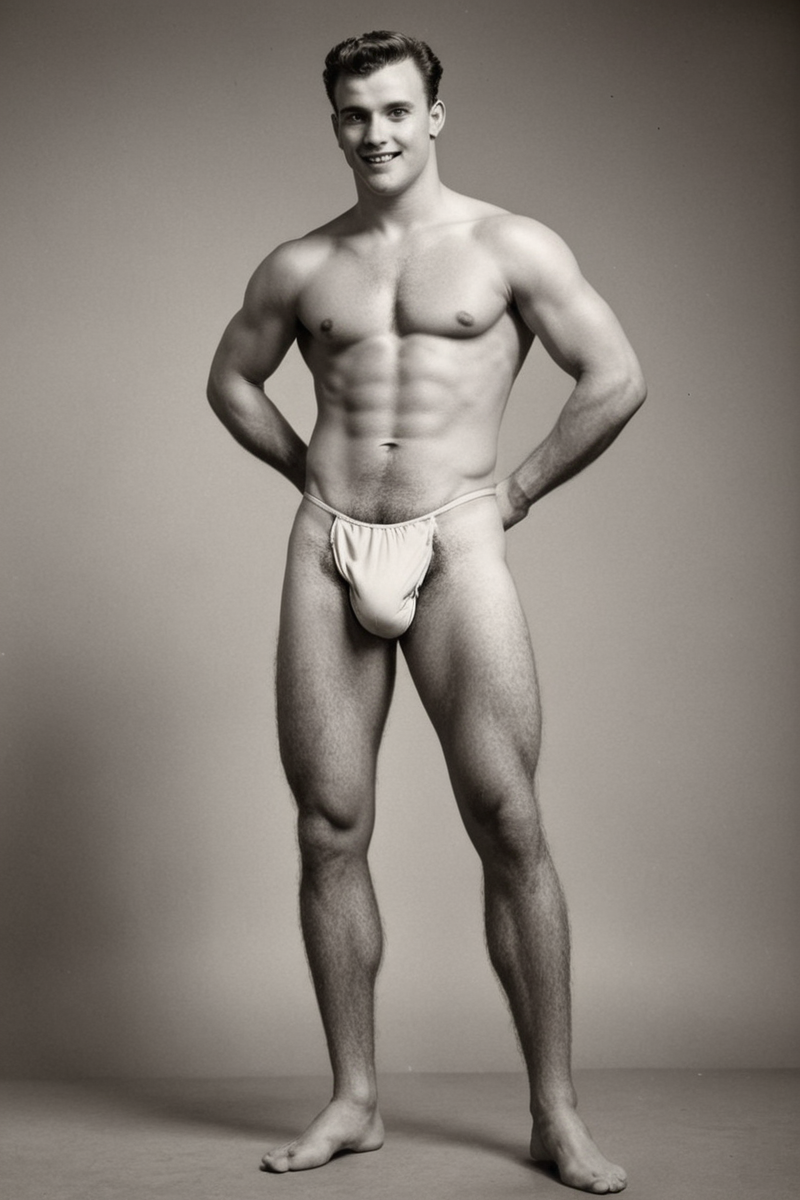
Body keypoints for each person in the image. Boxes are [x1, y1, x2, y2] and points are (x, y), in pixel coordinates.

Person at [207, 30, 645, 1194]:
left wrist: (515, 494)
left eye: (397, 110)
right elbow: (229, 380)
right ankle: (353, 1101)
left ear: (433, 116)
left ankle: (554, 1115)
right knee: (327, 826)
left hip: (455, 540)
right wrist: (308, 476)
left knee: (506, 819)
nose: (377, 132)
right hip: (328, 546)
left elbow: (614, 377)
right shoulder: (300, 266)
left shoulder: (509, 245)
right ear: (334, 125)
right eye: (356, 115)